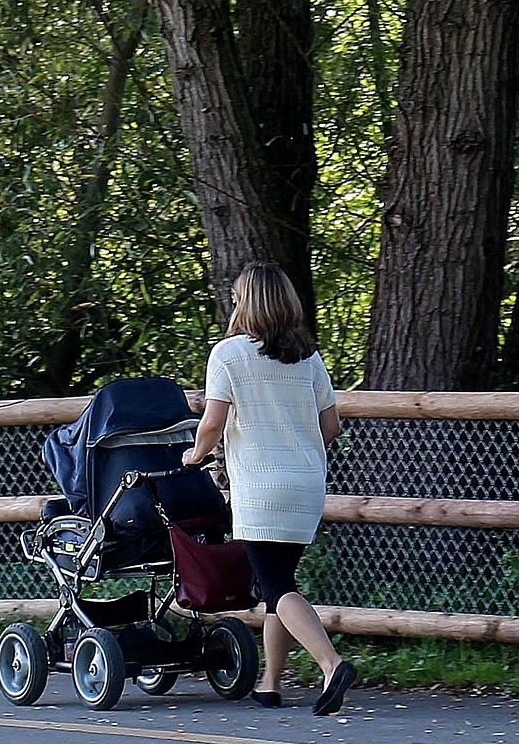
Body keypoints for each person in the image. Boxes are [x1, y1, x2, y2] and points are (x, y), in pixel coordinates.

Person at [181, 260, 356, 716]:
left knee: (276, 587)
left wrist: (194, 456)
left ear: (250, 303)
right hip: (306, 487)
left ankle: (331, 664)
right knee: (278, 582)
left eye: (237, 297)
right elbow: (331, 426)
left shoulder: (229, 355)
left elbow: (212, 422)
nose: (234, 304)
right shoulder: (309, 358)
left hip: (260, 489)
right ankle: (271, 683)